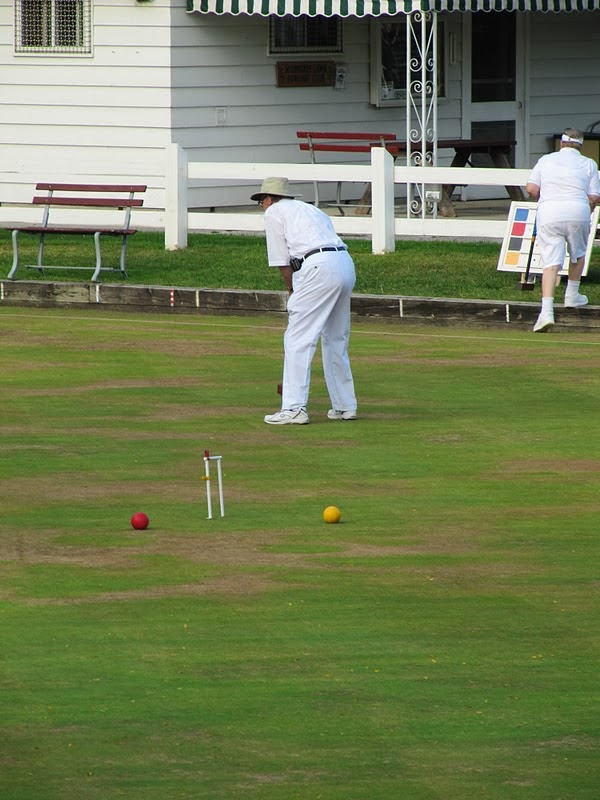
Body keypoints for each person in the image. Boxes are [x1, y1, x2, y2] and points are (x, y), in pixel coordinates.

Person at [251, 177, 357, 425]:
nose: (262, 207)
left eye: (261, 202)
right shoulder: (311, 210)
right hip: (344, 263)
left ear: (269, 199)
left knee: (298, 338)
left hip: (318, 268)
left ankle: (294, 408)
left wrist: (291, 289)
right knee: (336, 337)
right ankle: (345, 405)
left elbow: (281, 260)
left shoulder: (274, 212)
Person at [526, 127, 600, 333]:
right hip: (578, 210)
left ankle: (546, 312)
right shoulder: (589, 163)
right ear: (580, 146)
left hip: (549, 212)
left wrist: (545, 198)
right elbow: (594, 197)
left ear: (561, 143)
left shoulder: (545, 160)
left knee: (551, 263)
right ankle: (572, 295)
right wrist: (587, 207)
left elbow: (531, 189)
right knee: (578, 254)